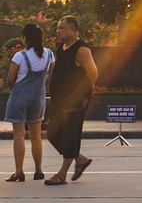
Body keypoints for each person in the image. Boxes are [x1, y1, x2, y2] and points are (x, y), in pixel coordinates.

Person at [44, 15, 97, 186]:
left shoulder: (82, 50)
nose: (57, 31)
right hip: (60, 100)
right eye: (58, 27)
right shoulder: (62, 48)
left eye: (61, 28)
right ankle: (79, 159)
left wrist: (83, 94)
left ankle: (61, 174)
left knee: (70, 135)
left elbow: (93, 73)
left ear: (73, 30)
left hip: (75, 100)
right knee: (52, 134)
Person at [3, 23, 53, 181]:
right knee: (36, 136)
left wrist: (15, 88)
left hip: (20, 97)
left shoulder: (20, 56)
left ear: (25, 38)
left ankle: (19, 172)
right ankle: (38, 170)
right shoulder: (49, 54)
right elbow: (49, 77)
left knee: (18, 135)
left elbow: (10, 79)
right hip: (38, 97)